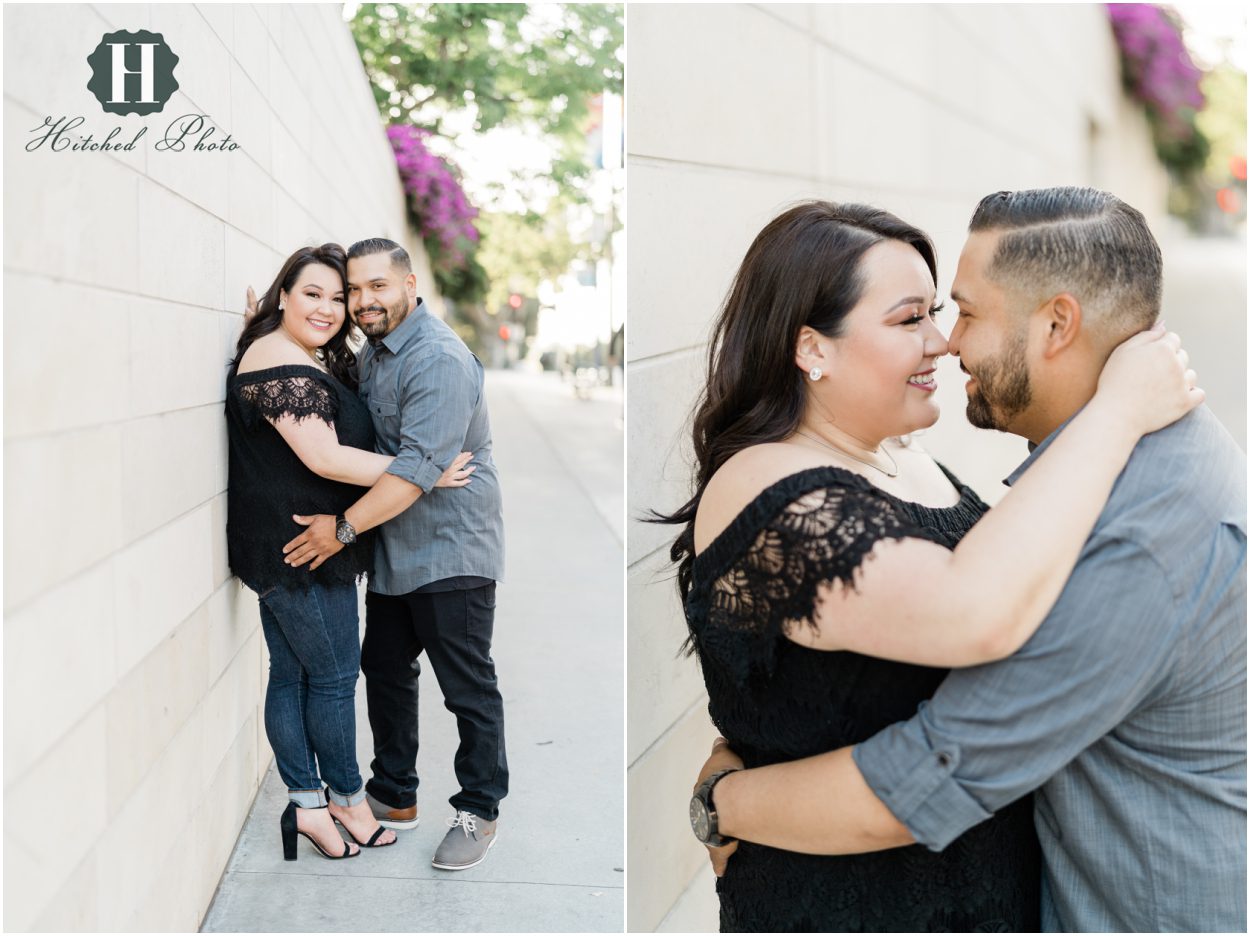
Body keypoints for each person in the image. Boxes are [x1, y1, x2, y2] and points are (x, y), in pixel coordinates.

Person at [693, 189, 1246, 932]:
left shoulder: (933, 470)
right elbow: (947, 637)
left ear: (1057, 324)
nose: (945, 341)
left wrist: (727, 793)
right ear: (812, 347)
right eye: (912, 317)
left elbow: (922, 722)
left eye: (954, 312)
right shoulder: (769, 489)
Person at [227, 243, 471, 861]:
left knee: (294, 675)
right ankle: (347, 802)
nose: (330, 308)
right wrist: (424, 468)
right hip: (305, 546)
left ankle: (308, 807)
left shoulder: (286, 352)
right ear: (284, 294)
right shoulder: (278, 359)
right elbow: (325, 457)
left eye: (338, 298)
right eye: (312, 294)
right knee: (333, 678)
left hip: (291, 542)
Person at [280, 237, 508, 872]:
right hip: (396, 551)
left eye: (377, 286)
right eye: (354, 289)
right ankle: (395, 794)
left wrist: (341, 532)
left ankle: (480, 810)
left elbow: (414, 474)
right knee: (383, 668)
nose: (362, 301)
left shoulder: (436, 358)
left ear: (410, 285)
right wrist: (265, 324)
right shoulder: (377, 352)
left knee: (466, 688)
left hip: (452, 549)